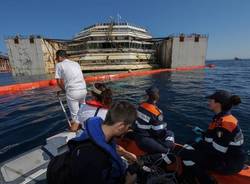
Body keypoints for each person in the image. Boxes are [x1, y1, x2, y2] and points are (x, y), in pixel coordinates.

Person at [178, 90, 246, 184]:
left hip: (228, 164)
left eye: (211, 100)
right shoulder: (224, 118)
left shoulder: (225, 124)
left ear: (218, 104)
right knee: (189, 145)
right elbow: (216, 137)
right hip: (227, 158)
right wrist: (203, 134)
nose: (208, 102)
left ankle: (206, 181)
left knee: (185, 155)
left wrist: (196, 150)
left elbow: (217, 151)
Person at [67, 101, 138, 184]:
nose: (128, 130)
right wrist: (128, 182)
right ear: (121, 126)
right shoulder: (95, 159)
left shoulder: (98, 132)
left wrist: (125, 153)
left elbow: (106, 145)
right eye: (128, 127)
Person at [70, 83, 137, 163]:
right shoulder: (110, 112)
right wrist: (126, 153)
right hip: (100, 143)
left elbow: (73, 128)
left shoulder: (83, 107)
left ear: (93, 96)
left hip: (82, 141)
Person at [133, 86, 175, 154]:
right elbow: (157, 132)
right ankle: (145, 160)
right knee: (168, 146)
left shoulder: (140, 106)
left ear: (147, 95)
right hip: (145, 140)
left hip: (137, 136)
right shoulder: (157, 113)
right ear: (157, 97)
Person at [55, 50, 87, 122]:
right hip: (83, 90)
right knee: (84, 110)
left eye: (56, 57)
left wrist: (64, 91)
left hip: (73, 92)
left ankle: (77, 129)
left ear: (60, 57)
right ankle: (87, 125)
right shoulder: (76, 63)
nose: (56, 60)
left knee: (75, 115)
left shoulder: (59, 65)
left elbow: (59, 82)